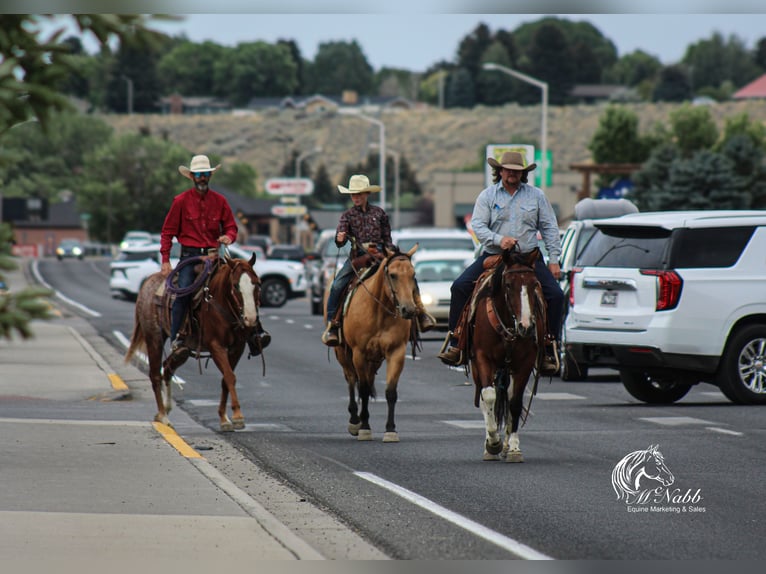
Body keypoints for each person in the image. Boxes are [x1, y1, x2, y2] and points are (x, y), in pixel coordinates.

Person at [437, 151, 564, 375]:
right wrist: (499, 240)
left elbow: (550, 228)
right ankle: (457, 341)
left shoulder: (536, 196)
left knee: (556, 295)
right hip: (495, 256)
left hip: (528, 259)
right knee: (459, 287)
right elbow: (478, 225)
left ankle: (548, 347)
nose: (512, 174)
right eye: (507, 169)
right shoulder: (487, 196)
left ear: (523, 173)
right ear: (500, 171)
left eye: (516, 170)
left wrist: (554, 260)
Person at [160, 154, 271, 359]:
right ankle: (177, 338)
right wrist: (165, 260)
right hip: (189, 258)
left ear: (210, 176)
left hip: (214, 257)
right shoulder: (180, 201)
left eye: (206, 174)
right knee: (183, 293)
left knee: (242, 286)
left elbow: (231, 226)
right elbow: (167, 232)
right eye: (199, 174)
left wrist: (229, 237)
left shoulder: (220, 201)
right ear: (192, 177)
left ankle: (256, 333)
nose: (203, 178)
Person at [321, 174, 436, 346]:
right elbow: (340, 242)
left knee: (406, 275)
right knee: (337, 284)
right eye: (353, 194)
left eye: (359, 194)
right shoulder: (347, 216)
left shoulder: (380, 213)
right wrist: (340, 238)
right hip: (358, 258)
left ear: (367, 194)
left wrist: (390, 252)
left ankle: (421, 313)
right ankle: (333, 324)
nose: (356, 197)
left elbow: (387, 237)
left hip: (382, 255)